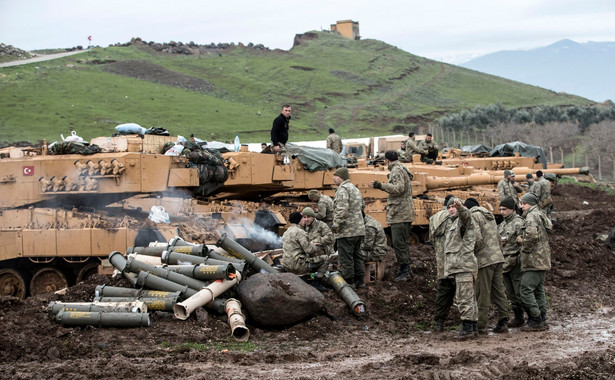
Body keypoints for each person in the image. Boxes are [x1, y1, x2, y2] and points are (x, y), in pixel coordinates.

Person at [464, 197, 509, 334]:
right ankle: (503, 320)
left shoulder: (473, 216)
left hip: (484, 260)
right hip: (497, 258)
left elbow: (476, 238)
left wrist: (470, 250)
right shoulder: (489, 216)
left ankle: (481, 325)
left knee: (483, 292)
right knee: (499, 291)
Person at [370, 150, 416, 281]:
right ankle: (406, 269)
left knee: (398, 242)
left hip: (400, 212)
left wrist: (380, 185)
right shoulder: (401, 168)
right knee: (402, 242)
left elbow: (399, 188)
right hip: (402, 211)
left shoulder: (396, 171)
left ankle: (405, 271)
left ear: (386, 160)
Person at [441, 197, 479, 338]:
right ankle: (473, 327)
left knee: (464, 299)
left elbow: (466, 216)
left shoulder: (463, 221)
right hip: (461, 266)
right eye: (449, 207)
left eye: (453, 206)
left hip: (463, 266)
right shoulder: (454, 224)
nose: (451, 209)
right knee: (469, 298)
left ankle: (467, 328)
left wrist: (461, 208)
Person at [517, 192, 553, 331]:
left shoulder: (531, 216)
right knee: (538, 290)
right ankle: (542, 318)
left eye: (523, 203)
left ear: (529, 204)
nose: (521, 206)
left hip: (534, 260)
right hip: (542, 259)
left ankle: (536, 319)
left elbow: (531, 236)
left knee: (525, 289)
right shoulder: (540, 214)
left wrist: (523, 245)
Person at [331, 167, 366, 288]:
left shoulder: (342, 189)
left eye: (335, 176)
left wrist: (335, 225)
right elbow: (362, 205)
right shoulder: (355, 189)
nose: (333, 178)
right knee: (357, 256)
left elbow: (342, 210)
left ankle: (350, 283)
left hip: (347, 231)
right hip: (359, 229)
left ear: (341, 177)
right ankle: (360, 282)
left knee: (346, 258)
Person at [497, 196, 526, 328]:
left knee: (520, 292)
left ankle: (532, 316)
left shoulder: (518, 222)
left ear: (512, 209)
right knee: (510, 293)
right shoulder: (502, 224)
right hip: (505, 263)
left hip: (516, 262)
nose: (502, 212)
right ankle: (518, 317)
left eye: (504, 209)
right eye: (500, 209)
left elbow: (524, 242)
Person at [429, 194, 454, 332]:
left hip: (442, 263)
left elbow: (432, 240)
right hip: (456, 263)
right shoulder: (452, 218)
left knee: (442, 294)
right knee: (463, 295)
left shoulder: (434, 218)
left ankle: (439, 322)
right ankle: (467, 324)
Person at [281, 212, 329, 283]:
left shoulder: (286, 232)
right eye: (303, 218)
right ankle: (317, 283)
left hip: (286, 265)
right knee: (325, 259)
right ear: (299, 220)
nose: (305, 220)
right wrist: (315, 246)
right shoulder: (300, 232)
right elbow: (309, 250)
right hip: (298, 266)